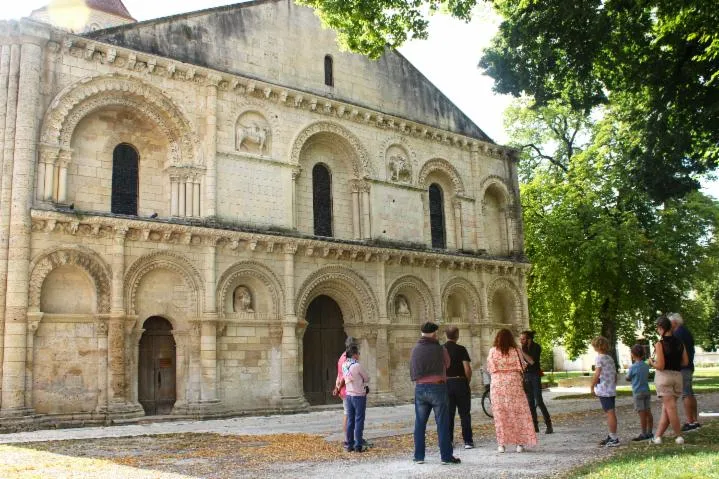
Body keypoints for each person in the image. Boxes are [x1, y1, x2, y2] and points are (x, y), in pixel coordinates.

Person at [410, 321, 461, 465]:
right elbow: (448, 364)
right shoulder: (440, 349)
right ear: (433, 334)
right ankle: (446, 457)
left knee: (420, 424)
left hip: (420, 388)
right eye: (436, 333)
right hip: (437, 388)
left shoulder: (415, 349)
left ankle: (419, 456)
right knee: (442, 423)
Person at [486, 328, 537, 453]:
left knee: (500, 415)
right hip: (514, 384)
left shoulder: (492, 351)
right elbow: (523, 366)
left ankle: (501, 445)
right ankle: (519, 444)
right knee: (517, 414)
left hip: (497, 385)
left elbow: (490, 368)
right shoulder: (516, 350)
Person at [649, 315, 689, 445]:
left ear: (661, 328)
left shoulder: (660, 344)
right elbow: (685, 362)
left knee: (670, 408)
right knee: (667, 409)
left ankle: (679, 436)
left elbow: (660, 365)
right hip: (677, 377)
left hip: (664, 377)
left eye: (657, 328)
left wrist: (651, 362)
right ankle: (658, 437)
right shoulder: (680, 343)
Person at [669, 312, 701, 431]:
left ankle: (690, 421)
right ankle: (694, 419)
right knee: (690, 393)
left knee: (686, 394)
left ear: (675, 322)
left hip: (683, 367)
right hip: (689, 366)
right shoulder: (686, 332)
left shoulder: (677, 334)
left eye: (670, 322)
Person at [444, 326, 474, 449]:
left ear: (446, 335)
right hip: (460, 382)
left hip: (446, 383)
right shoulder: (461, 349)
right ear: (457, 335)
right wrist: (466, 381)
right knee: (465, 413)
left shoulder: (441, 349)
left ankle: (449, 441)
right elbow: (467, 368)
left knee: (448, 414)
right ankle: (468, 441)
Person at [520, 330, 553, 434]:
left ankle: (549, 425)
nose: (521, 341)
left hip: (535, 376)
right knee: (530, 402)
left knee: (539, 401)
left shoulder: (536, 347)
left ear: (529, 339)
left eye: (523, 339)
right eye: (520, 339)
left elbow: (532, 361)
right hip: (526, 376)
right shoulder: (523, 348)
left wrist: (521, 353)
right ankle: (535, 426)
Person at [590, 336, 620, 447]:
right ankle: (612, 435)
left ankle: (614, 437)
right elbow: (615, 374)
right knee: (611, 412)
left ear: (597, 347)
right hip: (611, 389)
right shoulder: (610, 358)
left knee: (610, 413)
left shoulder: (599, 358)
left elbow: (597, 373)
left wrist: (592, 386)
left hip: (604, 389)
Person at [333, 336, 359, 450]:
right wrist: (338, 388)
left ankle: (349, 439)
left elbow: (339, 375)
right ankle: (348, 439)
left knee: (349, 414)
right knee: (348, 414)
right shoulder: (346, 358)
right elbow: (344, 376)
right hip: (348, 389)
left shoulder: (342, 357)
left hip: (346, 389)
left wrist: (337, 386)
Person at [343, 345, 370, 452]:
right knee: (359, 420)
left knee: (350, 420)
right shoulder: (357, 366)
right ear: (354, 354)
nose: (359, 355)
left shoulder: (344, 365)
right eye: (358, 353)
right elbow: (366, 378)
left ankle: (349, 445)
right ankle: (358, 445)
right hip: (359, 395)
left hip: (349, 395)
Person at [626, 344, 653, 441]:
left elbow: (628, 377)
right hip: (646, 390)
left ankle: (643, 433)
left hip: (637, 392)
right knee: (648, 411)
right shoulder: (646, 366)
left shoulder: (633, 367)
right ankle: (650, 431)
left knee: (642, 414)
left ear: (633, 354)